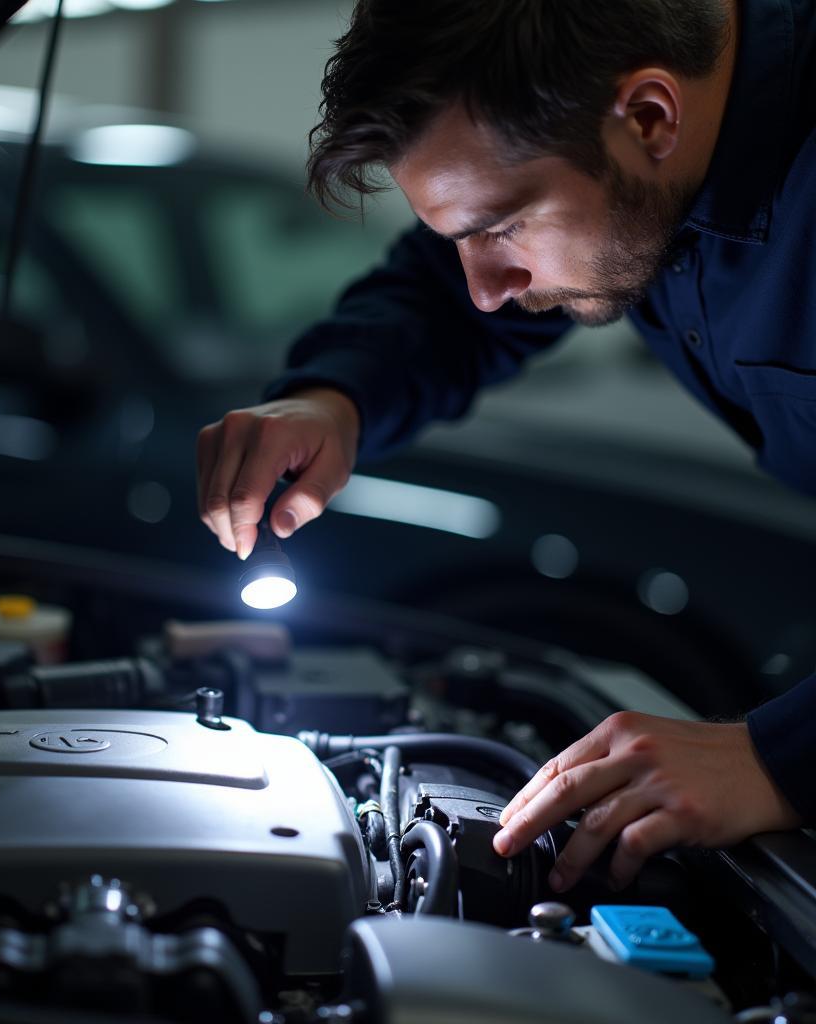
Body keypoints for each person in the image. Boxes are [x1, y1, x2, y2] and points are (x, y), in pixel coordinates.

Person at [195, 0, 814, 892]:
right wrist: (333, 398)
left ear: (648, 117)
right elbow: (444, 301)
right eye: (459, 239)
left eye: (502, 229)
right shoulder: (630, 155)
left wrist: (780, 757)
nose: (484, 288)